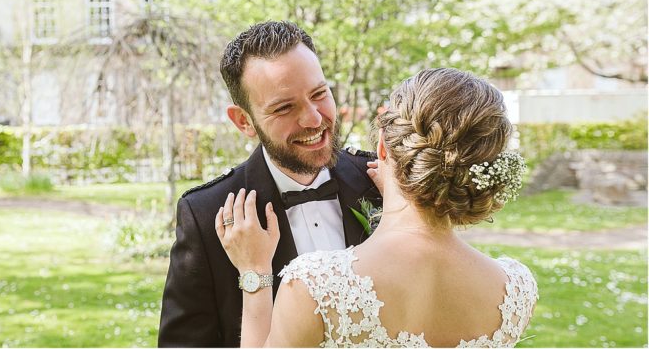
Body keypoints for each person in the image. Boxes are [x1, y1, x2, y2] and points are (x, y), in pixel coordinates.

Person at [217, 67, 538, 347]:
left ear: (382, 145)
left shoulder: (314, 287)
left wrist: (255, 274)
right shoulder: (514, 290)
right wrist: (406, 192)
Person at [158, 21, 382, 347]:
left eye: (319, 94)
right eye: (284, 107)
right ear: (244, 121)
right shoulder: (206, 214)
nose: (314, 119)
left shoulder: (381, 183)